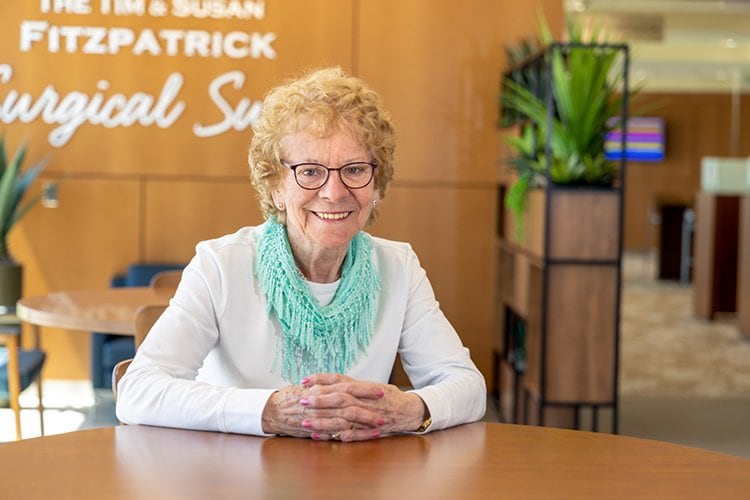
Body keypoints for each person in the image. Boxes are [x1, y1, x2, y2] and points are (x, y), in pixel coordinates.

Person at [116, 67, 486, 441]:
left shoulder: (398, 267)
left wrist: (410, 410)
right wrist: (268, 411)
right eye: (310, 172)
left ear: (377, 184)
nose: (334, 192)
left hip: (357, 480)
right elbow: (138, 391)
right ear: (276, 186)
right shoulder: (221, 265)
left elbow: (468, 387)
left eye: (355, 169)